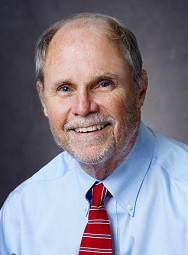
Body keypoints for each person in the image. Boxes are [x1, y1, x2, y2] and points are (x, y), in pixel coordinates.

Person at [0, 12, 188, 255]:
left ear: (140, 89)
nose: (83, 107)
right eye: (65, 88)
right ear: (43, 99)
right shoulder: (21, 213)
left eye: (103, 84)